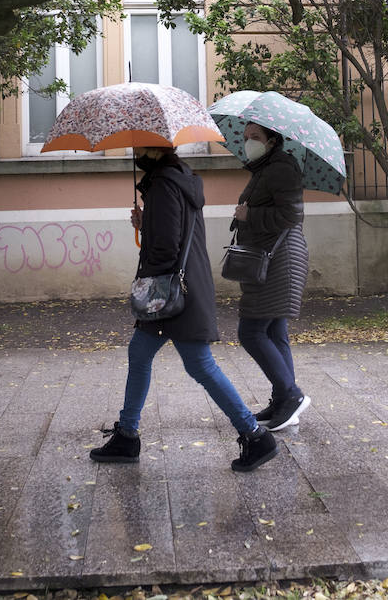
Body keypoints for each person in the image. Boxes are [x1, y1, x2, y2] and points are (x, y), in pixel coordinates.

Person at [90, 145, 278, 472]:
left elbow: (165, 247)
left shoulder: (163, 185)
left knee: (200, 365)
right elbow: (171, 232)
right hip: (185, 288)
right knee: (142, 354)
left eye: (140, 145)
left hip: (172, 295)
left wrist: (146, 285)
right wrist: (146, 221)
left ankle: (254, 434)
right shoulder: (179, 179)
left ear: (154, 148)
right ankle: (127, 434)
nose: (135, 150)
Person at [232, 121, 310, 431]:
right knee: (276, 332)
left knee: (250, 332)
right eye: (246, 137)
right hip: (270, 257)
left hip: (279, 260)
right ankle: (282, 401)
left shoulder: (280, 168)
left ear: (272, 140)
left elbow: (291, 216)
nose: (248, 142)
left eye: (255, 137)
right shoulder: (265, 168)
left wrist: (249, 214)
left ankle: (291, 396)